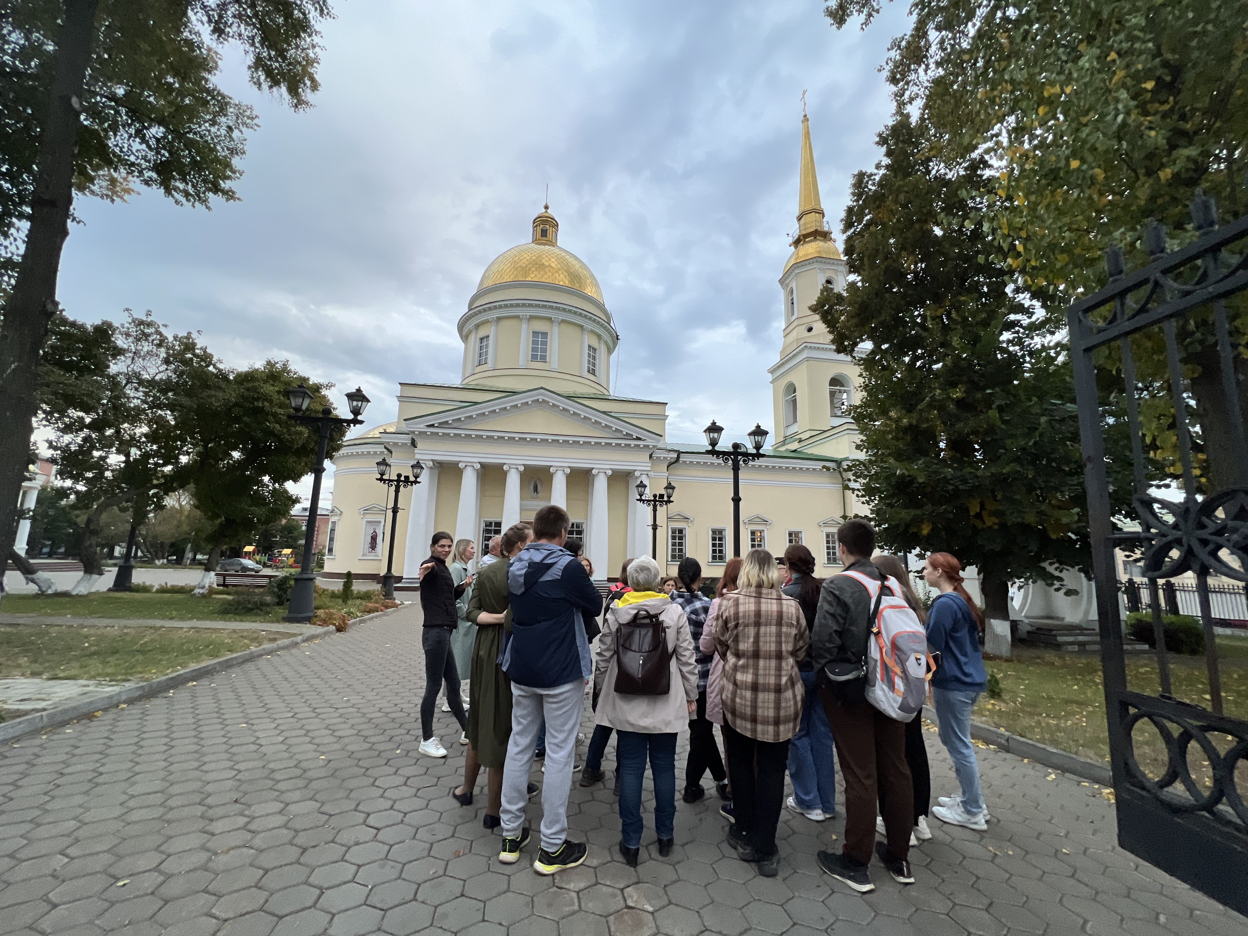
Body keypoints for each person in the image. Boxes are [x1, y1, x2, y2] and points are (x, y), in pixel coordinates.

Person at [811, 519, 914, 894]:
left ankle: (856, 860)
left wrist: (826, 679)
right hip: (892, 685)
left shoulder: (839, 584)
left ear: (841, 548)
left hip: (852, 689)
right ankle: (899, 855)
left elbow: (823, 640)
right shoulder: (892, 585)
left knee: (860, 773)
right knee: (896, 767)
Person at [498, 505, 601, 874]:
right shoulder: (568, 567)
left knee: (519, 746)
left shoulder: (514, 565)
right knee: (558, 753)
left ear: (535, 529)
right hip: (560, 669)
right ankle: (552, 846)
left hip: (522, 667)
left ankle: (511, 835)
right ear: (563, 533)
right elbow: (595, 604)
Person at [594, 556, 698, 866]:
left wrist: (599, 689)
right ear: (655, 581)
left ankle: (631, 840)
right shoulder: (673, 611)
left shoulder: (617, 611)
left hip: (627, 698)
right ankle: (665, 834)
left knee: (630, 768)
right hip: (665, 698)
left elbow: (604, 655)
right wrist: (691, 694)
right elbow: (686, 658)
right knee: (664, 767)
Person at [714, 548, 809, 878]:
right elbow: (801, 648)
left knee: (740, 764)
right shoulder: (791, 607)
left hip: (740, 697)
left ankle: (743, 829)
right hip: (781, 700)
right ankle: (765, 845)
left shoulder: (730, 603)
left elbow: (721, 645)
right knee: (772, 770)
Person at [454, 522, 535, 828]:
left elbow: (471, 611)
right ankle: (494, 810)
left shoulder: (485, 572)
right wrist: (505, 618)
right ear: (521, 546)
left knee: (479, 717)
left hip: (484, 649)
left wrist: (493, 618)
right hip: (510, 650)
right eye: (532, 542)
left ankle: (466, 789)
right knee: (504, 724)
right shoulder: (523, 573)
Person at [923, 551, 990, 832]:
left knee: (959, 745)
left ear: (939, 571)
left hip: (954, 682)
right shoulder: (962, 600)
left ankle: (972, 809)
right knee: (957, 741)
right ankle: (969, 799)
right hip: (969, 678)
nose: (924, 573)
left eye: (926, 568)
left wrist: (924, 678)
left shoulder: (945, 604)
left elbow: (932, 645)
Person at [872, 553, 932, 844]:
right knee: (915, 748)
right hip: (915, 684)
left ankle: (897, 822)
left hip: (890, 685)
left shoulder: (885, 602)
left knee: (891, 757)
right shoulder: (913, 604)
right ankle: (919, 818)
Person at [782, 544, 837, 823]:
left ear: (789, 565)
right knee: (822, 735)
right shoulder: (824, 590)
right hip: (823, 670)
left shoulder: (787, 595)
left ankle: (808, 799)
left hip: (798, 670)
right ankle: (827, 801)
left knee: (798, 734)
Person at [671, 557, 728, 804]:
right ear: (700, 577)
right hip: (701, 677)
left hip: (676, 678)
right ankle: (692, 786)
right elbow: (710, 644)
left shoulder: (669, 603)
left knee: (700, 732)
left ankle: (721, 779)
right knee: (701, 733)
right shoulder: (705, 606)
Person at [581, 558, 634, 788]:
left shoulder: (613, 593)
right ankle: (622, 776)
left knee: (604, 720)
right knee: (624, 726)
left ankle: (590, 769)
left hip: (610, 662)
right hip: (629, 665)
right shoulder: (632, 597)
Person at [417, 532, 470, 758]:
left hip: (444, 632)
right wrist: (425, 570)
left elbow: (446, 597)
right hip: (435, 633)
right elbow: (427, 572)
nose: (446, 549)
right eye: (441, 546)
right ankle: (427, 739)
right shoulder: (431, 566)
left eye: (449, 546)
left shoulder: (443, 568)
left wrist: (462, 587)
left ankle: (468, 730)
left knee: (454, 684)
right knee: (433, 686)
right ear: (433, 547)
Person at [699, 556, 742, 821]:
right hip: (760, 684)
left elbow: (706, 645)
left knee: (731, 741)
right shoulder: (767, 600)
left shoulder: (720, 603)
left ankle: (736, 792)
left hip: (727, 677)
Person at [447, 538, 477, 728]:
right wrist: (464, 612)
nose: (474, 551)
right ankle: (449, 699)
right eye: (471, 548)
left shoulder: (463, 568)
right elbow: (452, 594)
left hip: (465, 620)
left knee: (458, 659)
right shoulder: (456, 569)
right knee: (456, 660)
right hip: (461, 620)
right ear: (463, 550)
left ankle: (456, 694)